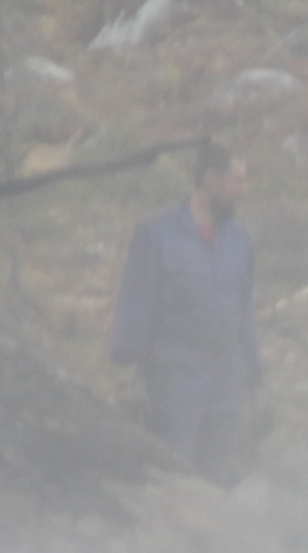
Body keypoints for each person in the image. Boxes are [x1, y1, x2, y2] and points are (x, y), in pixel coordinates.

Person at [109, 137, 262, 485]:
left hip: (227, 378)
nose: (244, 190)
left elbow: (245, 309)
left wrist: (254, 363)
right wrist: (127, 357)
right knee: (174, 473)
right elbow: (136, 299)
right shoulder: (157, 233)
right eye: (237, 180)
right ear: (211, 179)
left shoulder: (239, 241)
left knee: (219, 474)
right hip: (175, 377)